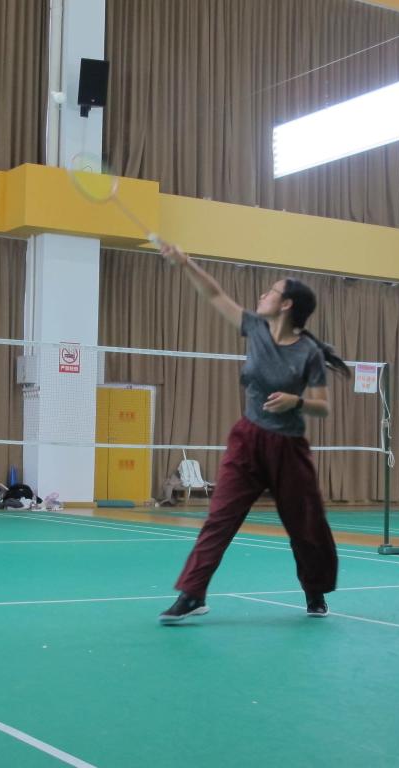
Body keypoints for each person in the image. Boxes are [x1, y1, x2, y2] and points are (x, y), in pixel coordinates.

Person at [156, 243, 348, 623]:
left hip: (288, 449)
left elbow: (323, 406)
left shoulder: (308, 353)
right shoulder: (254, 328)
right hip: (247, 440)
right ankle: (192, 594)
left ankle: (314, 591)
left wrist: (296, 401)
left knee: (305, 526)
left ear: (287, 304)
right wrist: (185, 262)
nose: (263, 295)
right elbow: (214, 294)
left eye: (271, 291)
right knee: (219, 519)